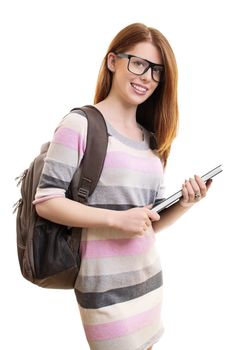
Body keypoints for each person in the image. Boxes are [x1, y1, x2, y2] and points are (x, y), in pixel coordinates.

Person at [34, 23, 212, 350]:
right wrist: (115, 219)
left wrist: (186, 203)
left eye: (157, 71)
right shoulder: (80, 124)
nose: (147, 76)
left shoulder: (151, 140)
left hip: (148, 282)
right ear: (113, 61)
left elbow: (149, 222)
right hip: (104, 291)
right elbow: (45, 201)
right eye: (138, 63)